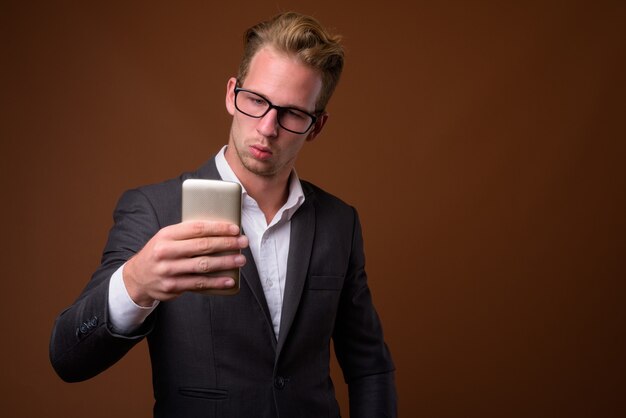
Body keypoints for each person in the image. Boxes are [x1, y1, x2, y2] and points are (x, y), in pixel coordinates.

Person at [50, 11, 397, 418]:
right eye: (256, 101)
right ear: (232, 94)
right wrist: (135, 284)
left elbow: (369, 365)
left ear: (316, 126)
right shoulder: (155, 210)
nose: (268, 127)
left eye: (292, 114)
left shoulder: (341, 223)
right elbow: (68, 359)